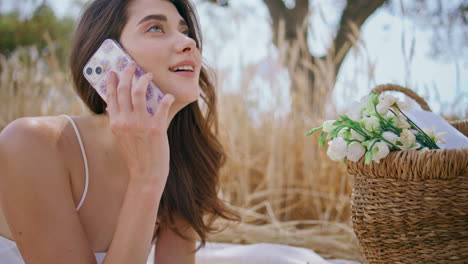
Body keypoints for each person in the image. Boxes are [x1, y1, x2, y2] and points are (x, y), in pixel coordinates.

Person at [0, 0, 238, 263]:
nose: (188, 42)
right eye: (156, 28)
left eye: (185, 31)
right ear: (108, 56)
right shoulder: (32, 143)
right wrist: (147, 180)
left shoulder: (183, 164)